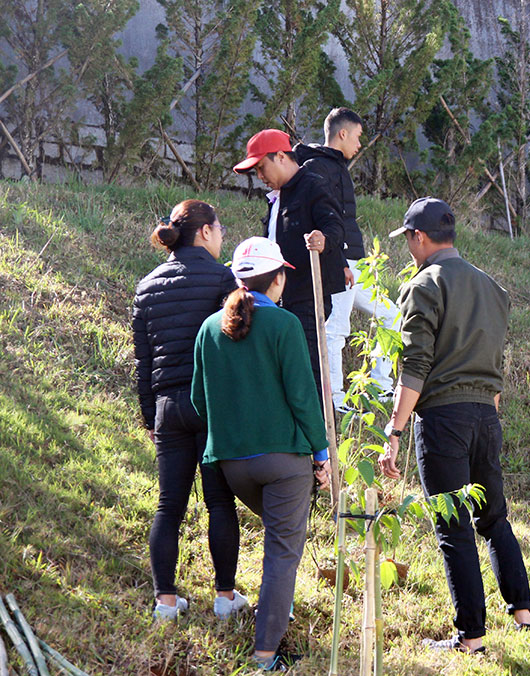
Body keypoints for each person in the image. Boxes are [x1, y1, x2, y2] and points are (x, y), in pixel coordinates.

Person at [377, 198, 530, 653]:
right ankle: (523, 611)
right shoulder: (493, 287)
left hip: (444, 417)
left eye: (408, 240)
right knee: (494, 517)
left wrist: (395, 431)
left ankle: (471, 637)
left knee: (453, 526)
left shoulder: (424, 284)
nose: (409, 248)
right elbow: (496, 361)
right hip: (487, 415)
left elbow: (416, 365)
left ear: (418, 237)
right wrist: (491, 411)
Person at [191, 237, 332, 673]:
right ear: (278, 279)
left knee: (277, 540)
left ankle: (276, 609)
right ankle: (265, 654)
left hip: (232, 464)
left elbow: (199, 400)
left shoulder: (209, 328)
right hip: (284, 461)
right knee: (282, 551)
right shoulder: (285, 325)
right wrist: (322, 453)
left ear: (237, 278)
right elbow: (304, 398)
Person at [131, 199, 244, 621]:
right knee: (219, 502)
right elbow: (236, 343)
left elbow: (144, 363)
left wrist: (150, 417)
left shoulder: (147, 286)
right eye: (219, 229)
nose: (222, 236)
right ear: (204, 233)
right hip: (210, 404)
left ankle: (165, 601)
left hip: (167, 407)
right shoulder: (223, 279)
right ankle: (225, 596)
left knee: (168, 506)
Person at [294, 107, 400, 411]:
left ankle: (381, 388)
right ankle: (335, 400)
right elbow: (323, 219)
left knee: (392, 317)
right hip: (341, 262)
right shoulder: (318, 167)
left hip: (357, 264)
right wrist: (337, 261)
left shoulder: (335, 166)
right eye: (357, 136)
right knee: (336, 328)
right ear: (342, 133)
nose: (359, 144)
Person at [233, 128, 348, 394]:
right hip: (274, 299)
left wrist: (324, 240)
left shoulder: (313, 184)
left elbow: (335, 226)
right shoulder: (277, 195)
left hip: (306, 298)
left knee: (307, 373)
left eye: (262, 168)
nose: (260, 177)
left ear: (282, 156)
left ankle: (320, 432)